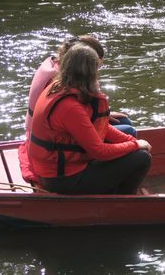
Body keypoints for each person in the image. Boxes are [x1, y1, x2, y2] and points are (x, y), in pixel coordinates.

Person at [27, 44, 152, 194]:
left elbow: (97, 127)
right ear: (91, 73)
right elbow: (99, 151)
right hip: (62, 179)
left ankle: (110, 191)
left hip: (57, 169)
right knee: (142, 158)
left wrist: (130, 141)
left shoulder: (58, 86)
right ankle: (121, 202)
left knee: (131, 140)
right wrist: (135, 146)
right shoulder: (70, 107)